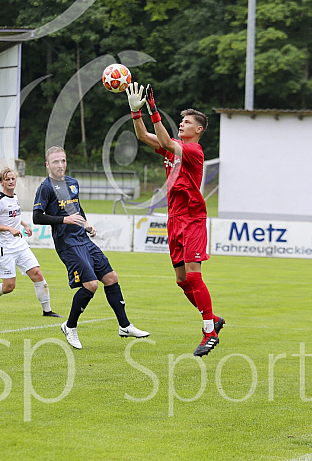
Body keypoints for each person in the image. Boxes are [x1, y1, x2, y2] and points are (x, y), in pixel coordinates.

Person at [127, 82, 224, 357]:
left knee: (194, 275)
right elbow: (145, 136)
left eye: (187, 122)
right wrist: (136, 112)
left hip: (192, 218)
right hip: (174, 219)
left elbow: (167, 141)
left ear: (199, 130)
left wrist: (153, 109)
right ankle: (213, 318)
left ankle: (210, 331)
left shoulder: (193, 151)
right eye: (181, 120)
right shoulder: (175, 148)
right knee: (182, 281)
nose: (182, 124)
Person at [32, 146, 149, 349]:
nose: (61, 165)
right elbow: (37, 217)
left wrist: (86, 224)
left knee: (111, 278)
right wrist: (64, 220)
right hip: (67, 244)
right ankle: (70, 326)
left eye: (63, 160)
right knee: (91, 285)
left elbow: (77, 207)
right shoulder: (45, 187)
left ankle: (124, 326)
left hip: (83, 240)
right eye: (56, 161)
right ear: (47, 164)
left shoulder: (72, 183)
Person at [0, 167, 62, 318]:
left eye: (13, 179)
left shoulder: (15, 197)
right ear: (1, 182)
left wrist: (24, 224)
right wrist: (9, 229)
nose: (11, 182)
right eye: (7, 179)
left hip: (20, 245)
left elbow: (13, 216)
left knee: (37, 274)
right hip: (5, 248)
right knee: (8, 287)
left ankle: (47, 311)